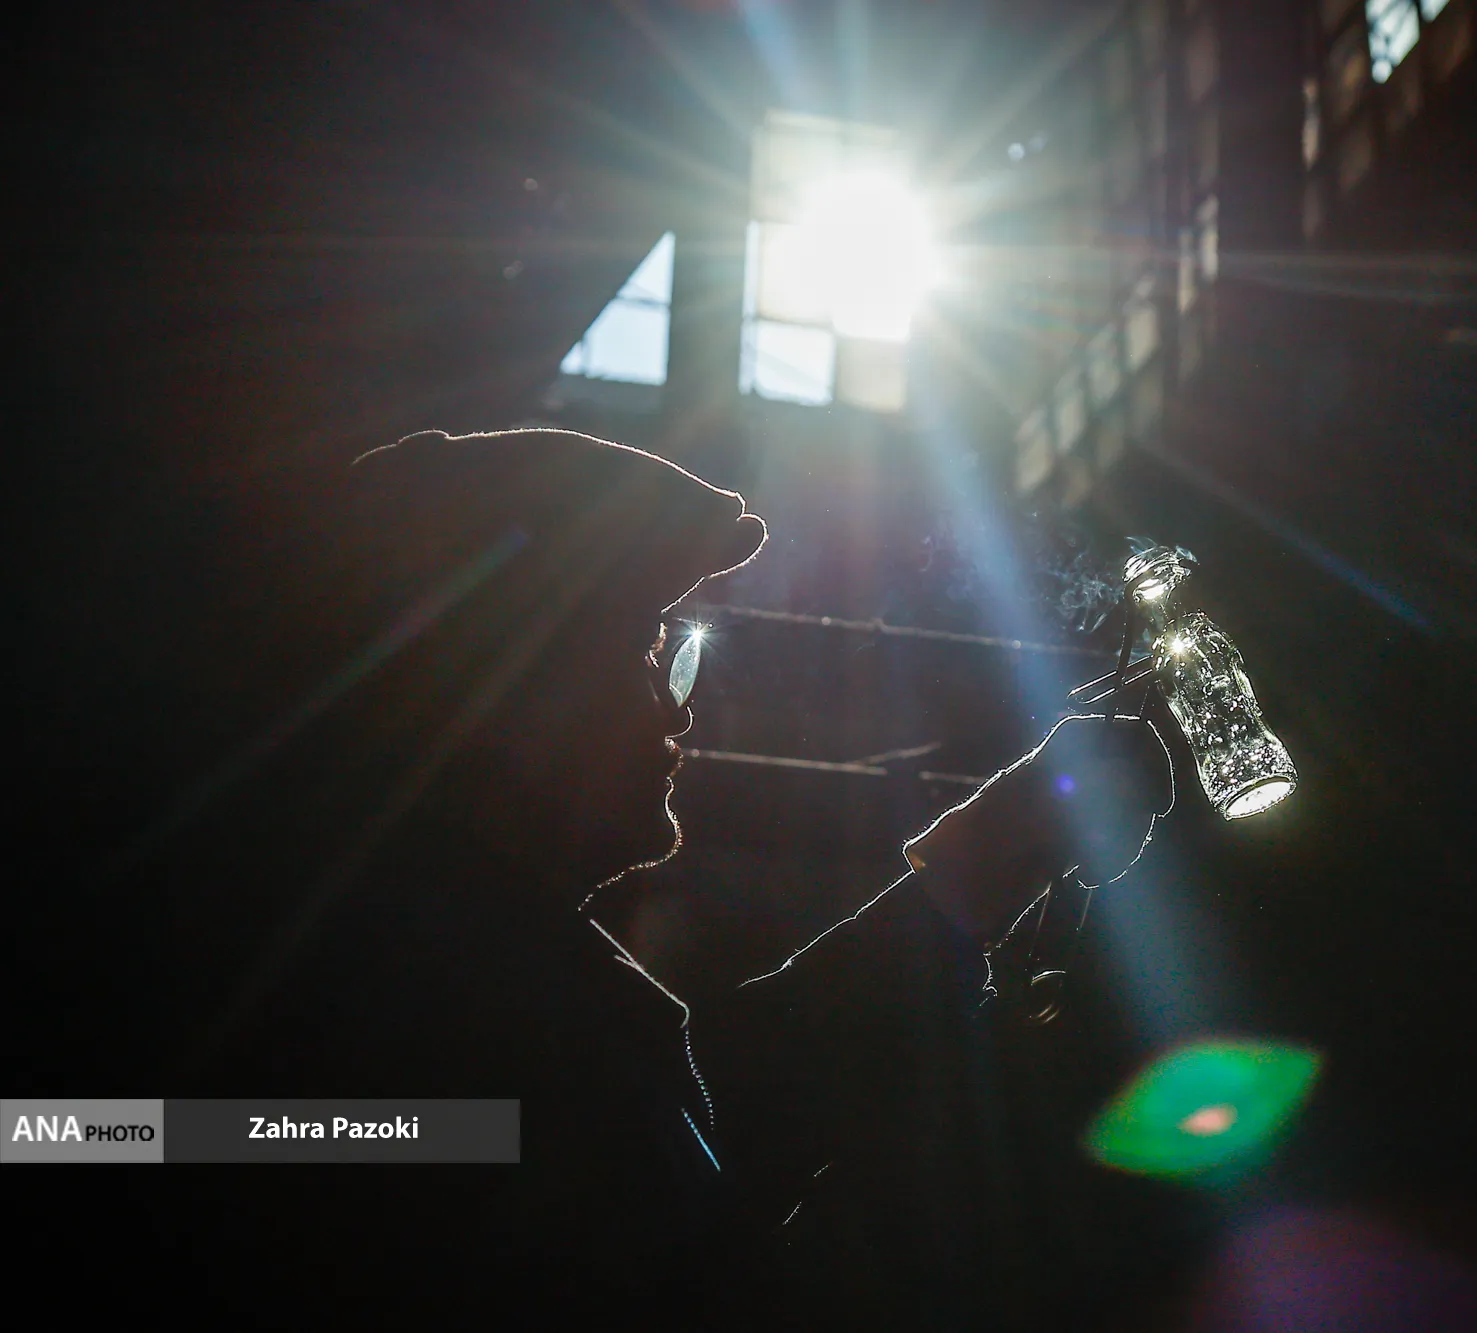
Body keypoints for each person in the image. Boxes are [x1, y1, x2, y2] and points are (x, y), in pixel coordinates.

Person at [348, 426, 1176, 1326]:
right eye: (641, 654)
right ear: (502, 683)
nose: (674, 711)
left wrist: (974, 862)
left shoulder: (473, 974)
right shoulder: (374, 1034)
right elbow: (646, 1231)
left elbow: (724, 1091)